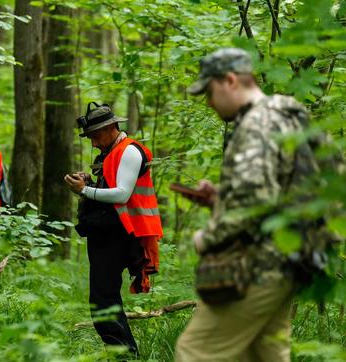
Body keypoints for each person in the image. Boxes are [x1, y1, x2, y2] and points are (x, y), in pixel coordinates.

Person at [175, 48, 309, 361]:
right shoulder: (284, 115)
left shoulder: (255, 125)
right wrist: (222, 195)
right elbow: (279, 188)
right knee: (265, 354)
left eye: (209, 91)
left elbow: (254, 200)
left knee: (195, 352)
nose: (209, 102)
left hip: (257, 264)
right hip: (290, 258)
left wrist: (206, 238)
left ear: (230, 80)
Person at [64, 102, 163, 358]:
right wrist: (88, 180)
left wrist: (83, 190)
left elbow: (121, 194)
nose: (93, 143)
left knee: (103, 300)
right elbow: (109, 185)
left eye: (95, 136)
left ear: (111, 128)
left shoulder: (129, 151)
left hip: (120, 235)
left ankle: (125, 355)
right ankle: (123, 353)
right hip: (105, 234)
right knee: (102, 298)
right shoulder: (110, 151)